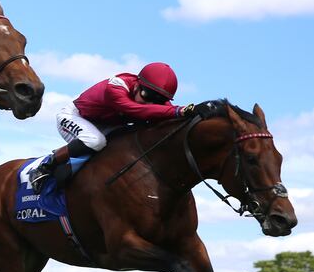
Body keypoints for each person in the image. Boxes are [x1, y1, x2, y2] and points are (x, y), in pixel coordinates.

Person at [29, 62, 197, 193]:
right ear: (137, 84)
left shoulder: (150, 96)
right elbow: (134, 109)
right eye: (147, 95)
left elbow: (167, 116)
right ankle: (47, 165)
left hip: (107, 125)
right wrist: (179, 111)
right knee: (95, 141)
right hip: (76, 116)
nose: (150, 103)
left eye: (158, 101)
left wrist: (194, 114)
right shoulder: (116, 85)